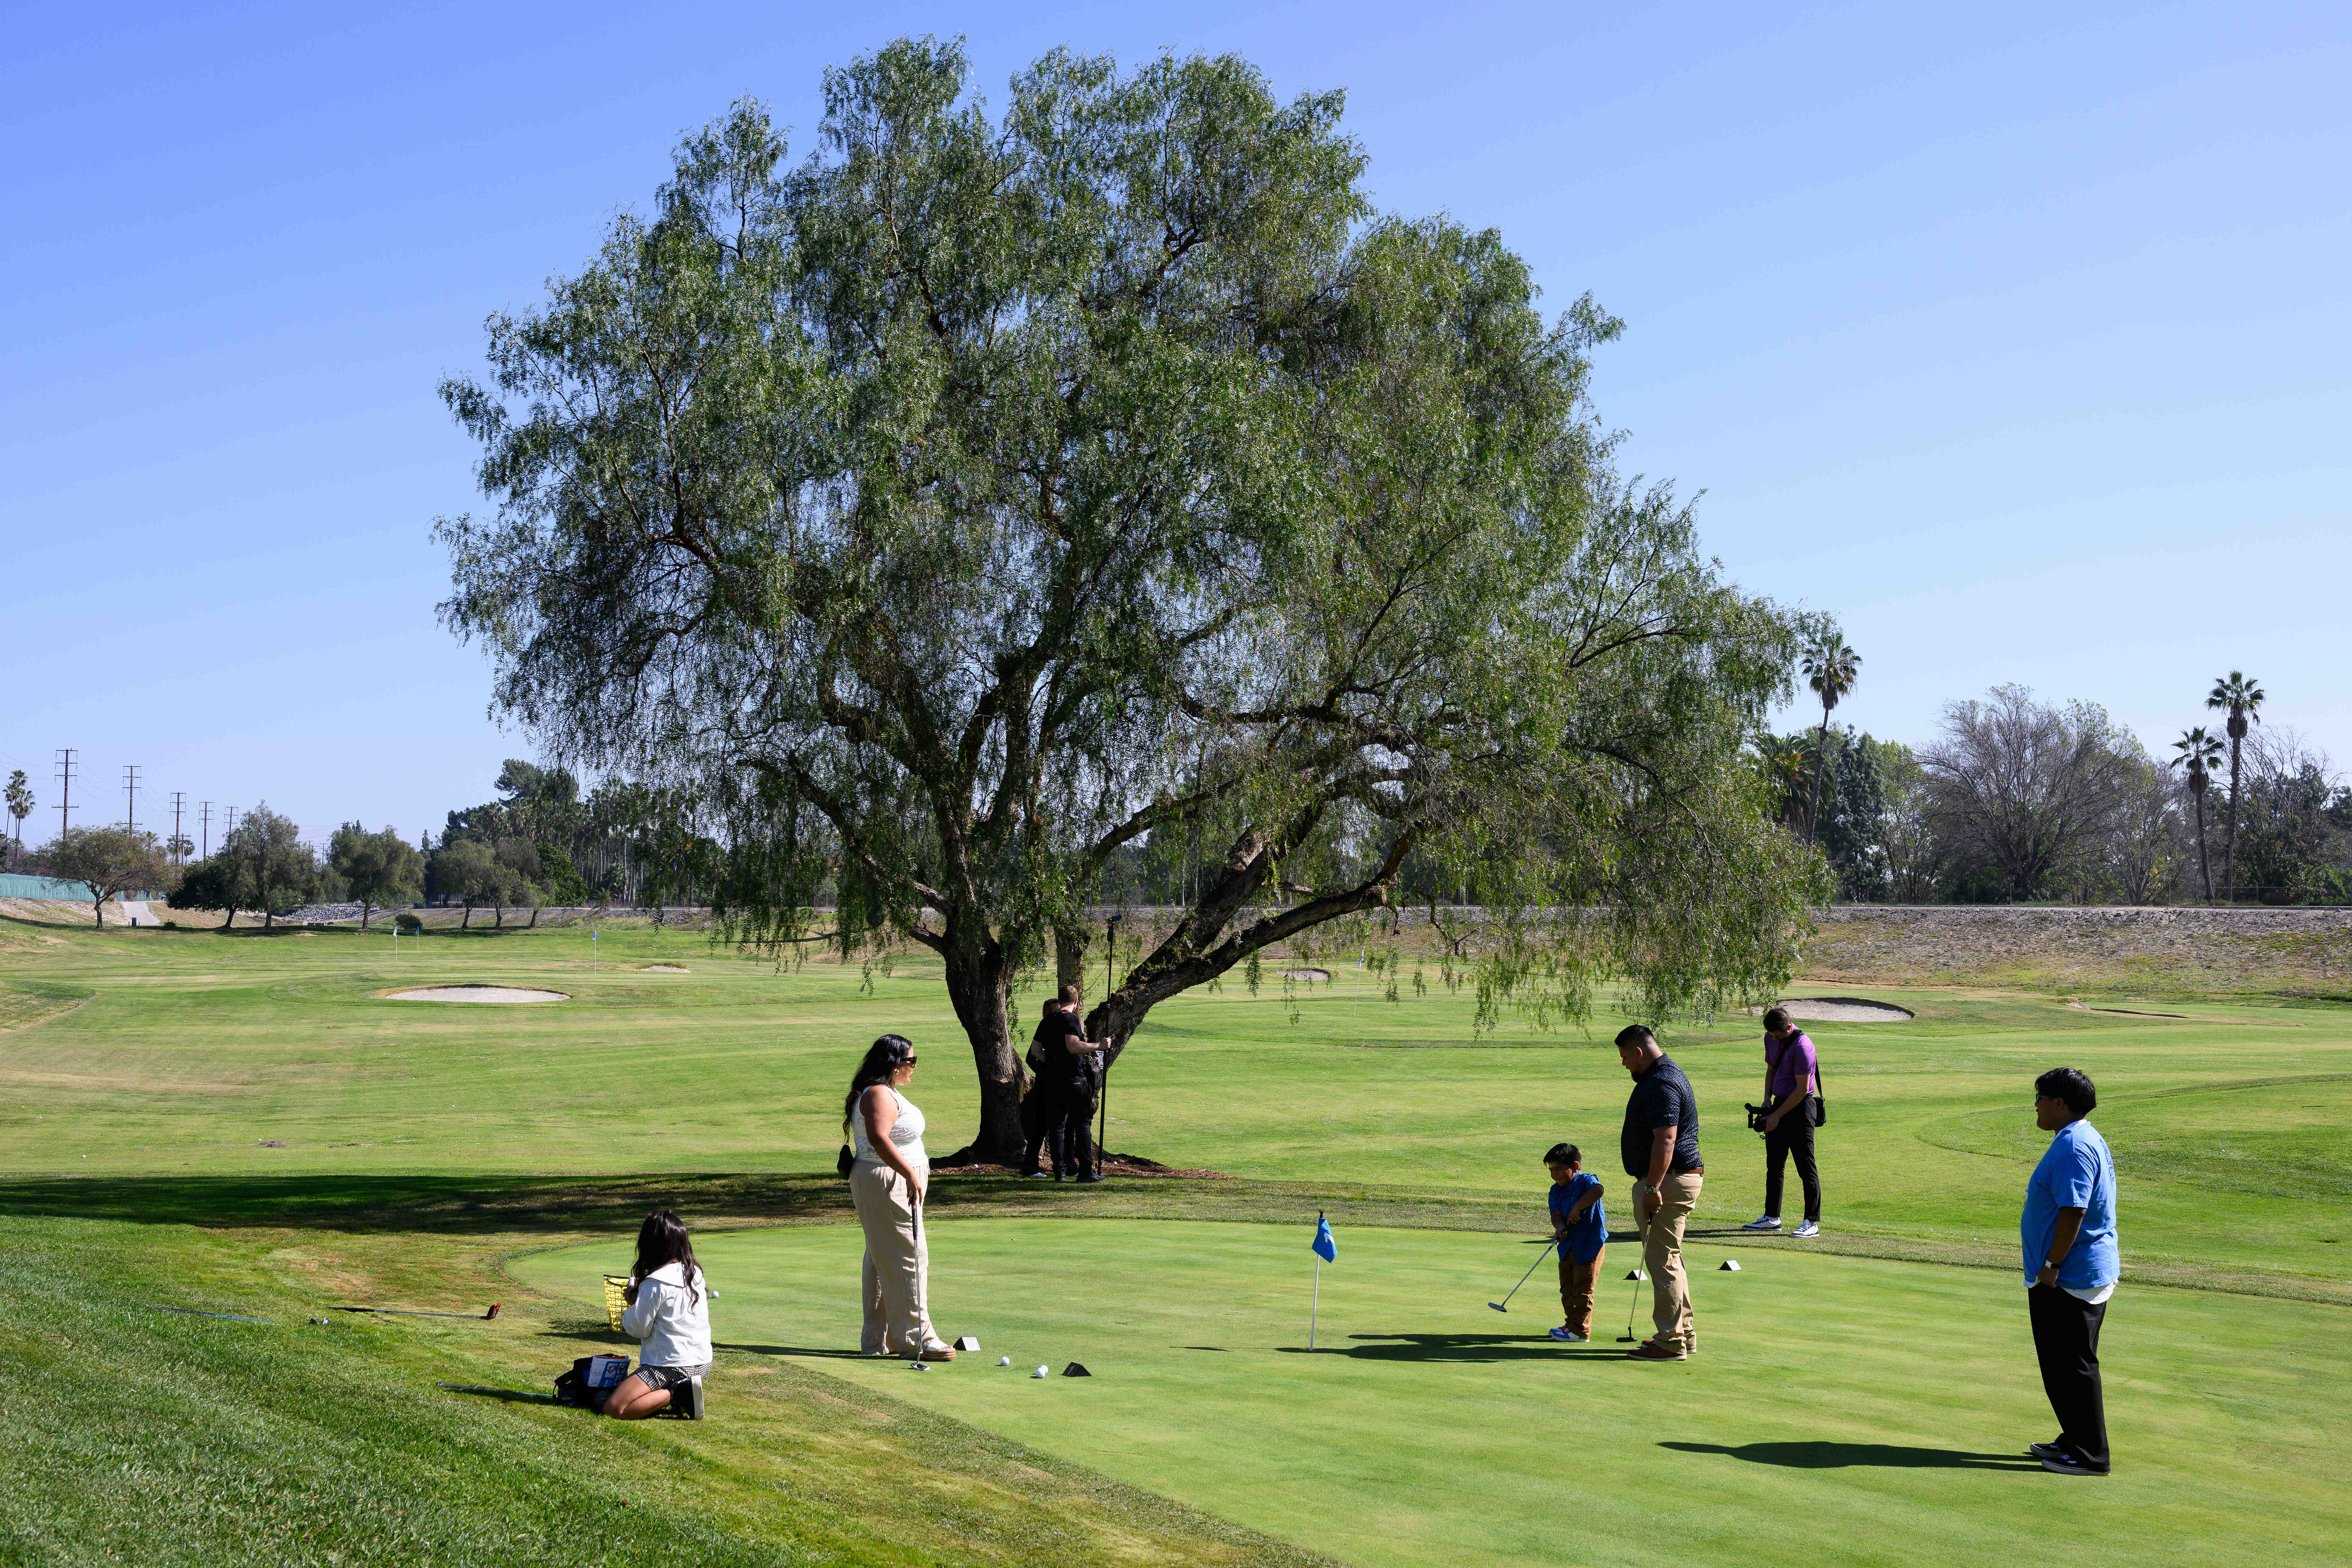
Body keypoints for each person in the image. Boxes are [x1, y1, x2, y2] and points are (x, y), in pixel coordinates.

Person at [2021, 1066, 2119, 1476]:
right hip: (2072, 1272)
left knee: (2072, 1367)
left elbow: (2074, 1210)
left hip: (2067, 1275)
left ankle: (2089, 1456)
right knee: (2063, 1366)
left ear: (2060, 1103)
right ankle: (2072, 1439)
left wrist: (2050, 1266)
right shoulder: (2076, 1138)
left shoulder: (2074, 1146)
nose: (2036, 1107)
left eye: (2041, 1098)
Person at [845, 1034, 954, 1361]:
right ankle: (917, 1339)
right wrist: (908, 1172)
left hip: (891, 1179)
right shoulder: (878, 1093)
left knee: (882, 1259)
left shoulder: (884, 1092)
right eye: (911, 1061)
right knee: (910, 1256)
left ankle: (879, 1341)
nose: (914, 1068)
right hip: (888, 1181)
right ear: (893, 1065)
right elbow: (879, 1138)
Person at [1616, 1024, 1703, 1361]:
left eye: (1625, 1057)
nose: (1624, 1064)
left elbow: (1666, 1139)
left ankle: (1670, 1341)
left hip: (1668, 1181)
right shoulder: (1667, 1075)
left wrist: (1652, 1186)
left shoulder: (1661, 1082)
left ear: (1639, 1053)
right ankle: (1685, 1334)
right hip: (1674, 1178)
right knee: (1672, 1258)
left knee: (1662, 1260)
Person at [605, 1209, 711, 1420]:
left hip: (671, 1364)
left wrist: (632, 1303)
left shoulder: (655, 1283)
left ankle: (678, 1393)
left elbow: (637, 1329)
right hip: (702, 1361)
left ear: (650, 1244)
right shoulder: (694, 1272)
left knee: (615, 1408)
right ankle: (682, 1388)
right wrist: (639, 1300)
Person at [1741, 1007, 1822, 1237]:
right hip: (1778, 1103)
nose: (1773, 1039)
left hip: (1801, 1107)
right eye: (1771, 1035)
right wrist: (1767, 1101)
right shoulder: (1771, 1037)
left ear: (1788, 1027)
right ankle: (1771, 1217)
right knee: (1774, 1164)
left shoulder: (1803, 1047)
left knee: (1806, 1167)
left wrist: (1777, 1116)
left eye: (1777, 1036)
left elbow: (1800, 1090)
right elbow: (1771, 1069)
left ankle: (1811, 1222)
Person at [1037, 985, 1108, 1183]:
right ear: (1076, 1001)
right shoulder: (1071, 1019)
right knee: (1083, 1125)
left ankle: (1059, 1172)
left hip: (1054, 1082)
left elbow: (1036, 1051)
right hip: (1074, 1081)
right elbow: (1073, 1046)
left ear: (1060, 1000)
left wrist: (1053, 1063)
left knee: (1057, 1126)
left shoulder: (1048, 1021)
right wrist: (1099, 1045)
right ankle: (1086, 1171)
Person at [1542, 1142, 1606, 1342]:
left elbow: (1598, 1191)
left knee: (1583, 1289)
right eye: (1552, 1170)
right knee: (1567, 1287)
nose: (1555, 1174)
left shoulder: (1587, 1181)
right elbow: (1556, 1215)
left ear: (1576, 1167)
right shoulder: (1555, 1191)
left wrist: (1578, 1208)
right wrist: (1560, 1227)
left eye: (1559, 1169)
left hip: (1590, 1245)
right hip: (1568, 1245)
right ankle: (1571, 1325)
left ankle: (1580, 1331)